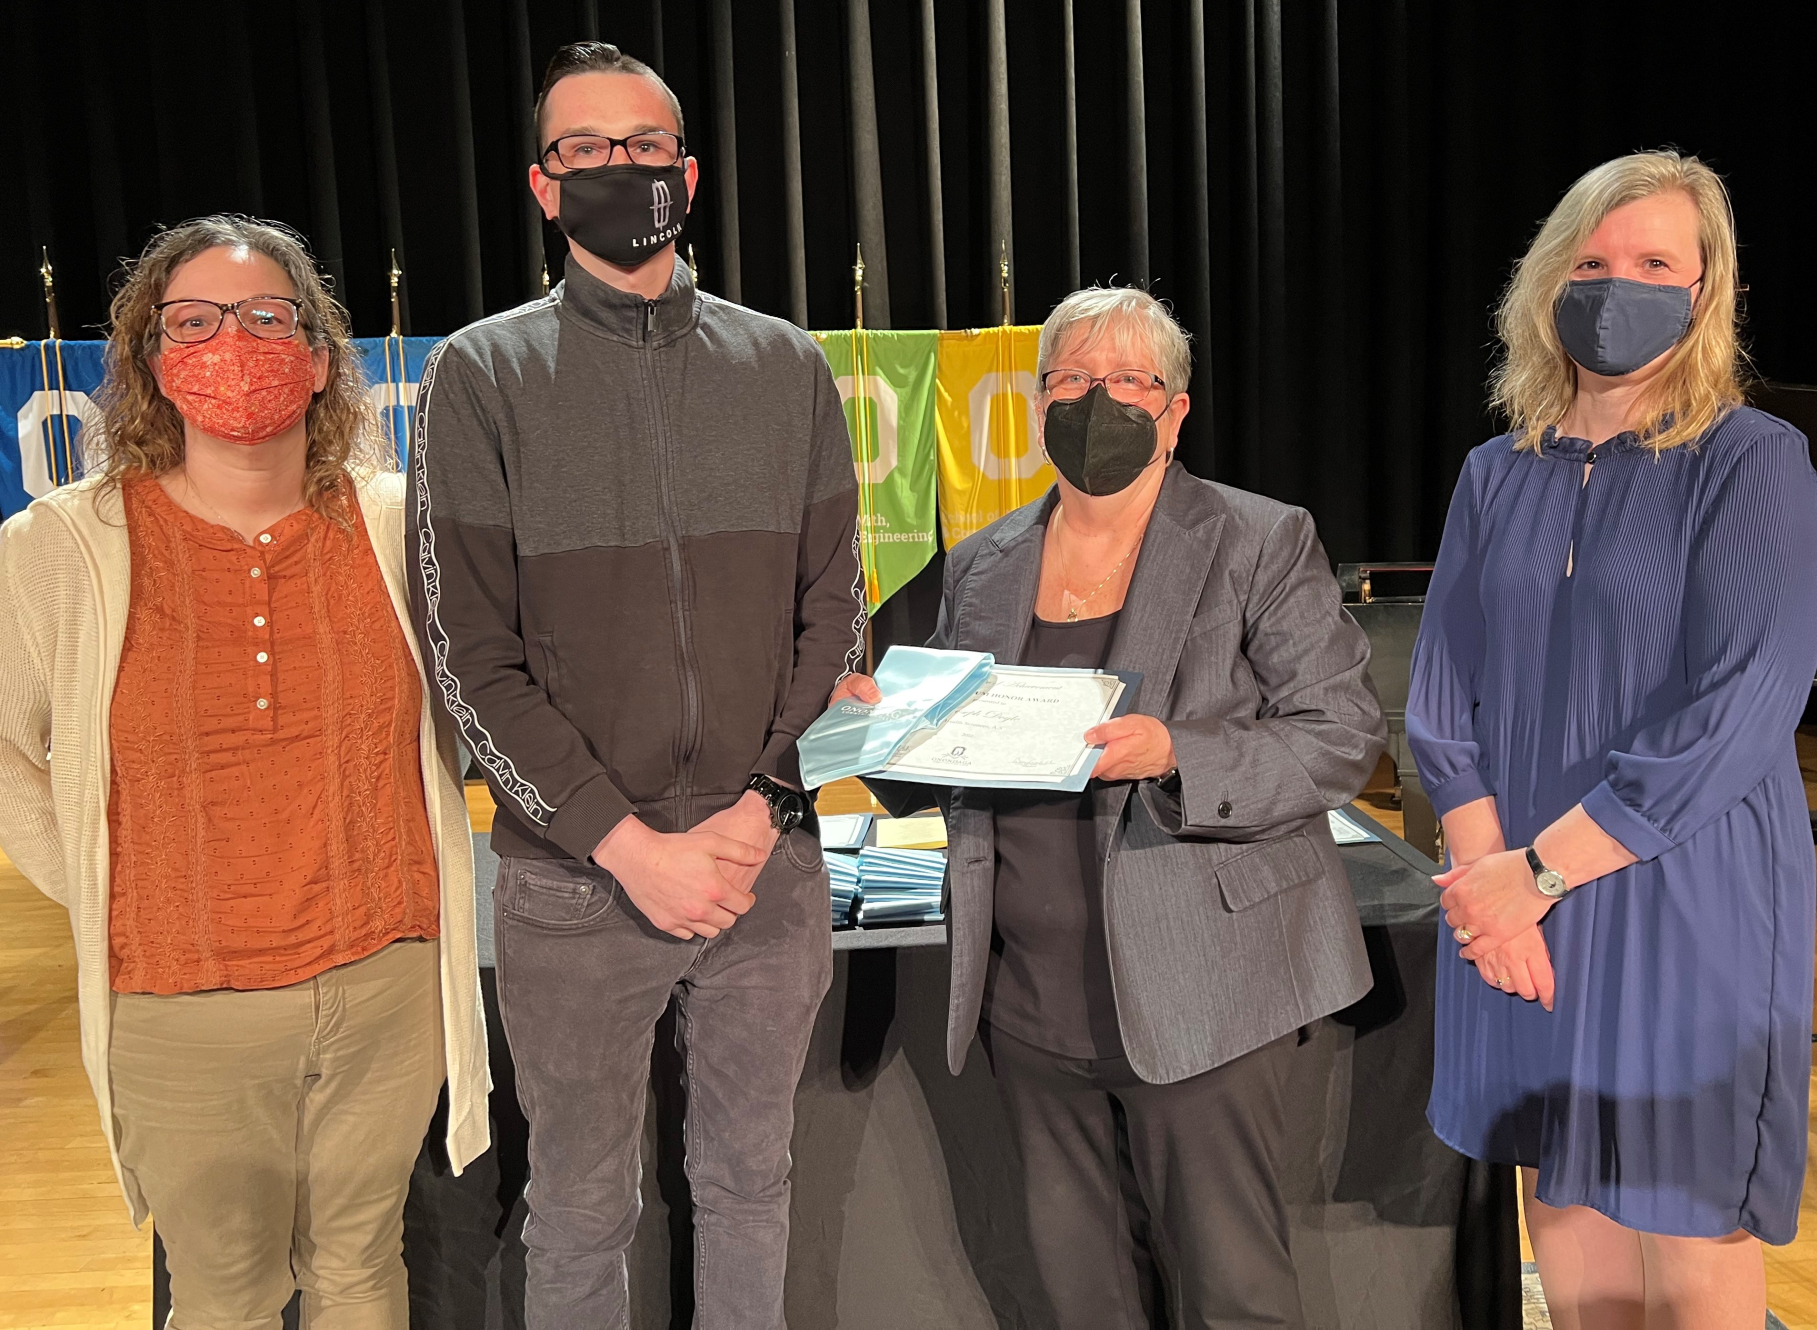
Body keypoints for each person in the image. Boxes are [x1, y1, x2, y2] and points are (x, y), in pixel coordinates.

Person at [407, 42, 861, 1328]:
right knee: (581, 1207)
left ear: (688, 173)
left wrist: (752, 812)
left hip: (760, 871)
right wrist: (625, 844)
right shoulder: (479, 378)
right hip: (570, 887)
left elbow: (836, 616)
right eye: (586, 152)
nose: (620, 170)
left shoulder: (783, 369)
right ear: (545, 189)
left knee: (748, 1185)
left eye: (644, 148)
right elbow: (468, 658)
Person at [837, 286, 1386, 1327]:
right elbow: (946, 756)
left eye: (1131, 380)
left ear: (1175, 411)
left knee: (1233, 1292)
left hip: (1207, 992)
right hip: (1031, 1002)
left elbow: (1338, 736)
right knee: (1078, 1291)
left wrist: (1178, 751)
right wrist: (880, 731)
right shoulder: (984, 562)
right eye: (1074, 379)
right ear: (1039, 401)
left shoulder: (1257, 541)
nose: (1100, 400)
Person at [0, 215, 488, 1327]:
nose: (235, 343)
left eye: (270, 317)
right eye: (197, 321)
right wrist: (100, 882)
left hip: (383, 982)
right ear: (152, 360)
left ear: (318, 357)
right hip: (178, 1002)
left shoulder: (398, 524)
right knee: (224, 1296)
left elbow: (477, 701)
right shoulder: (61, 547)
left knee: (363, 1269)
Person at [1408, 150, 1817, 1329]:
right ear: (1547, 281)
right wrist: (1492, 888)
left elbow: (1745, 697)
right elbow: (1441, 698)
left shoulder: (1751, 461)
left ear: (1702, 293)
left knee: (1689, 1245)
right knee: (1568, 1223)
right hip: (1513, 899)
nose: (1614, 283)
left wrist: (1532, 875)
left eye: (1651, 262)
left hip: (1681, 896)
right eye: (1590, 260)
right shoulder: (1494, 475)